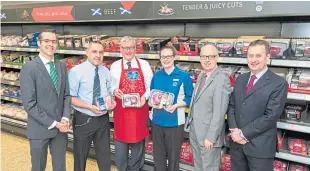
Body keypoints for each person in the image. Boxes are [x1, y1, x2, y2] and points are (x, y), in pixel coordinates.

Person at [228, 40, 288, 171]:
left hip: (260, 148)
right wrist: (233, 130)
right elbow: (232, 105)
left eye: (258, 56)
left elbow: (270, 116)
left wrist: (243, 134)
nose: (253, 60)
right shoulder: (241, 79)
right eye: (250, 55)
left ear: (267, 57)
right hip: (236, 146)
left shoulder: (279, 83)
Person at [20, 30, 71, 171]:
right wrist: (54, 123)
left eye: (54, 41)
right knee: (38, 167)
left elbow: (66, 95)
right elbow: (29, 104)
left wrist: (65, 117)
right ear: (39, 43)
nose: (51, 44)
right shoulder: (29, 68)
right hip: (39, 129)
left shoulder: (61, 66)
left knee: (60, 166)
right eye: (47, 41)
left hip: (61, 130)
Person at [68, 41, 116, 171]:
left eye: (101, 52)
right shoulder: (76, 71)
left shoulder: (105, 71)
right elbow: (70, 98)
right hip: (84, 119)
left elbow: (108, 92)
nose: (98, 55)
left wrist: (112, 102)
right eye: (94, 52)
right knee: (80, 156)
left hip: (103, 119)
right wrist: (89, 106)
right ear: (87, 53)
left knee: (105, 156)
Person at [110, 36, 153, 171]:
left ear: (135, 48)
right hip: (121, 113)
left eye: (131, 47)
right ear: (120, 49)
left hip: (139, 111)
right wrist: (114, 90)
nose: (128, 51)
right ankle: (122, 168)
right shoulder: (115, 66)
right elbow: (110, 86)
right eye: (125, 48)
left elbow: (150, 86)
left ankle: (136, 168)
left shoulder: (144, 65)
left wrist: (145, 97)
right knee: (121, 145)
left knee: (138, 145)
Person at [188, 44, 232, 171]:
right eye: (203, 56)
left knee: (209, 168)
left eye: (210, 56)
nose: (206, 60)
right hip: (195, 132)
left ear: (217, 57)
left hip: (209, 137)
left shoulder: (222, 79)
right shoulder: (202, 75)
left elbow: (219, 112)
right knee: (198, 167)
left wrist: (211, 137)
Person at [149, 46, 193, 171]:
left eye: (168, 56)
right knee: (158, 157)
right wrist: (152, 102)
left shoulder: (184, 76)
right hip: (157, 122)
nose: (166, 59)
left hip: (174, 123)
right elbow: (152, 95)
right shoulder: (156, 76)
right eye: (163, 57)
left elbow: (190, 98)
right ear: (160, 59)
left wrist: (177, 105)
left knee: (173, 159)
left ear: (174, 57)